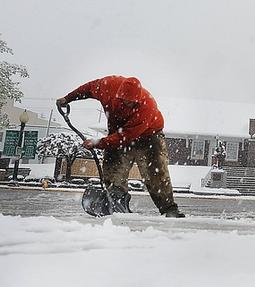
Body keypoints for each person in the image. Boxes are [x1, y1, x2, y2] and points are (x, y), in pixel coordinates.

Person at [57, 75, 185, 218]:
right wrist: (68, 98)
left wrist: (97, 143)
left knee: (155, 172)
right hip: (118, 134)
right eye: (124, 101)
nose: (127, 105)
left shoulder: (146, 106)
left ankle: (169, 209)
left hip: (149, 137)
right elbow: (89, 88)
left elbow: (125, 137)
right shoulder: (108, 86)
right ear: (118, 94)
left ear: (138, 98)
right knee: (113, 169)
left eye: (132, 103)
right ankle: (117, 204)